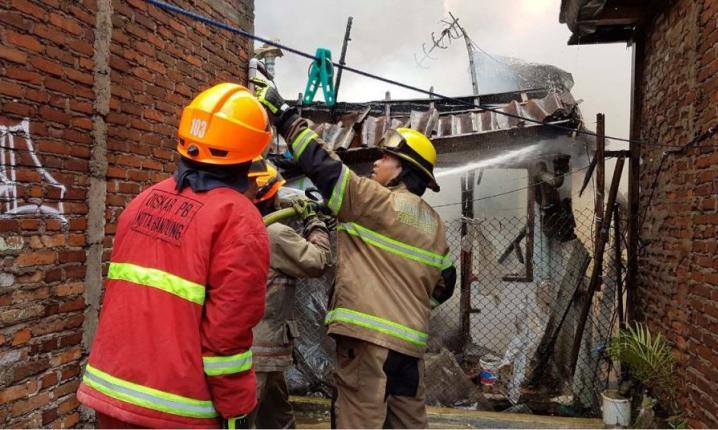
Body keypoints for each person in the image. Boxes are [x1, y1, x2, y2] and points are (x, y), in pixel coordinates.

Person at [252, 75, 457, 428]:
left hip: (367, 346)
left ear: (403, 170)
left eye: (386, 157)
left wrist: (284, 114)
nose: (376, 163)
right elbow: (447, 283)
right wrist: (405, 306)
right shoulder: (434, 224)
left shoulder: (375, 202)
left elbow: (323, 166)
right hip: (409, 351)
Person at [77, 83, 272, 429]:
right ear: (252, 152)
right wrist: (237, 409)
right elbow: (227, 334)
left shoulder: (144, 200)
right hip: (178, 409)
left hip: (112, 396)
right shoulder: (237, 219)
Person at [245, 158, 333, 429]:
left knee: (278, 417)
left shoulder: (244, 227)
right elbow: (319, 260)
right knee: (246, 417)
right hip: (260, 351)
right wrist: (314, 222)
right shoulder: (274, 233)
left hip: (258, 347)